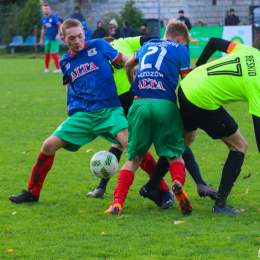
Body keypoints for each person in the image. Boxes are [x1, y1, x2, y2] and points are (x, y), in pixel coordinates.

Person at [8, 18, 130, 204]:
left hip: (108, 110)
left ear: (84, 33)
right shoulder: (65, 61)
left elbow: (124, 60)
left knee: (132, 144)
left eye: (80, 36)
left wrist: (138, 67)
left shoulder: (99, 45)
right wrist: (72, 107)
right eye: (72, 38)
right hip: (83, 116)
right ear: (64, 40)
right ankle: (33, 192)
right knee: (48, 145)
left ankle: (160, 190)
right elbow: (70, 86)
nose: (78, 41)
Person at [87, 36, 217, 205]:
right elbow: (147, 39)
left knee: (127, 148)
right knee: (174, 144)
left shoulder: (95, 53)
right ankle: (182, 185)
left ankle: (110, 193)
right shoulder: (124, 42)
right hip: (143, 94)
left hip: (118, 101)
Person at [105, 19, 193, 215]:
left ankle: (117, 202)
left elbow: (128, 64)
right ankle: (177, 183)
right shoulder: (181, 50)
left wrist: (132, 82)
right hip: (165, 104)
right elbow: (187, 82)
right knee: (174, 155)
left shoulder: (148, 45)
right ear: (180, 38)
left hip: (139, 103)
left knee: (133, 158)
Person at [87, 35, 176, 210]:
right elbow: (151, 39)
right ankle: (164, 188)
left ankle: (101, 188)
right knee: (147, 144)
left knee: (124, 144)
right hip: (134, 95)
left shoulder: (96, 52)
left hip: (111, 102)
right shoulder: (123, 42)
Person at [177, 37, 260, 214]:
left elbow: (214, 42)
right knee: (240, 145)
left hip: (186, 86)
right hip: (201, 99)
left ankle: (153, 186)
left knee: (183, 142)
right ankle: (220, 205)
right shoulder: (258, 84)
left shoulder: (249, 51)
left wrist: (198, 66)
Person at [40, 3, 61, 73]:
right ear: (43, 10)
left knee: (53, 52)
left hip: (54, 38)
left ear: (50, 9)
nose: (46, 10)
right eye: (44, 9)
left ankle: (58, 68)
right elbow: (43, 29)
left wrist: (58, 35)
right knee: (47, 53)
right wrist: (41, 39)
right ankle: (47, 68)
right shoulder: (43, 18)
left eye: (47, 9)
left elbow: (60, 25)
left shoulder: (54, 17)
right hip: (47, 38)